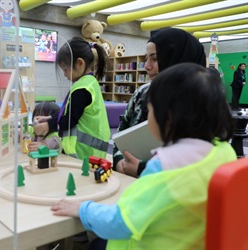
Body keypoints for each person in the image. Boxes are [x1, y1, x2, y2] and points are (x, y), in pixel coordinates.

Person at [51, 63, 236, 250]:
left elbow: (120, 222)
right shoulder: (224, 153)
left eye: (150, 110)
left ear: (168, 116)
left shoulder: (164, 167)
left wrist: (83, 209)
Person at [113, 28, 206, 177]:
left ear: (178, 60)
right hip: (127, 184)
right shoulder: (142, 93)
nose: (147, 66)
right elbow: (120, 135)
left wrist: (142, 168)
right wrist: (119, 162)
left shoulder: (200, 106)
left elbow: (196, 167)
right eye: (146, 58)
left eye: (155, 59)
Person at [33, 36, 110, 160]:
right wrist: (50, 118)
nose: (64, 74)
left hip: (85, 152)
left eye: (65, 69)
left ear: (80, 63)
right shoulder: (89, 83)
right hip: (92, 151)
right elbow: (73, 113)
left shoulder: (82, 89)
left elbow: (69, 120)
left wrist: (47, 125)